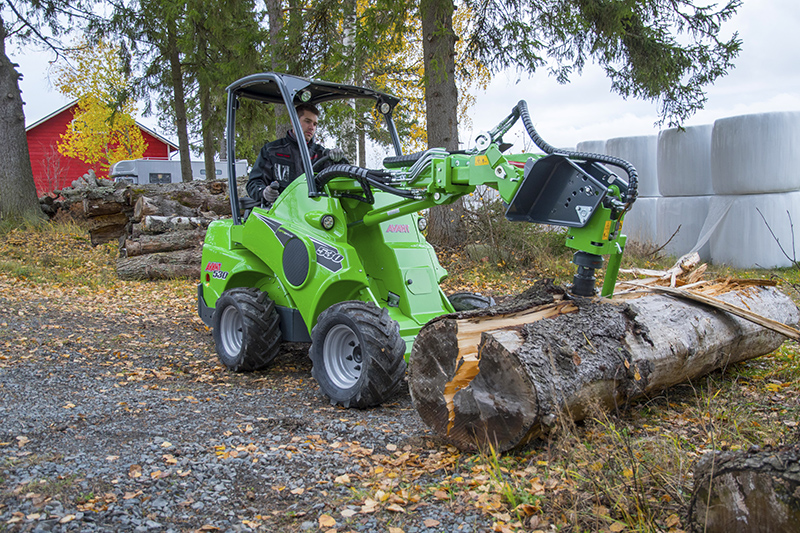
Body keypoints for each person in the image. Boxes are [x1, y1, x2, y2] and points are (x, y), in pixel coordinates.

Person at [246, 102, 346, 205]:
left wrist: (339, 159)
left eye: (315, 124)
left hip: (313, 210)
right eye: (307, 121)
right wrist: (264, 192)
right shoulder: (272, 151)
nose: (312, 127)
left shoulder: (321, 154)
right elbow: (254, 183)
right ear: (293, 122)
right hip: (280, 210)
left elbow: (340, 180)